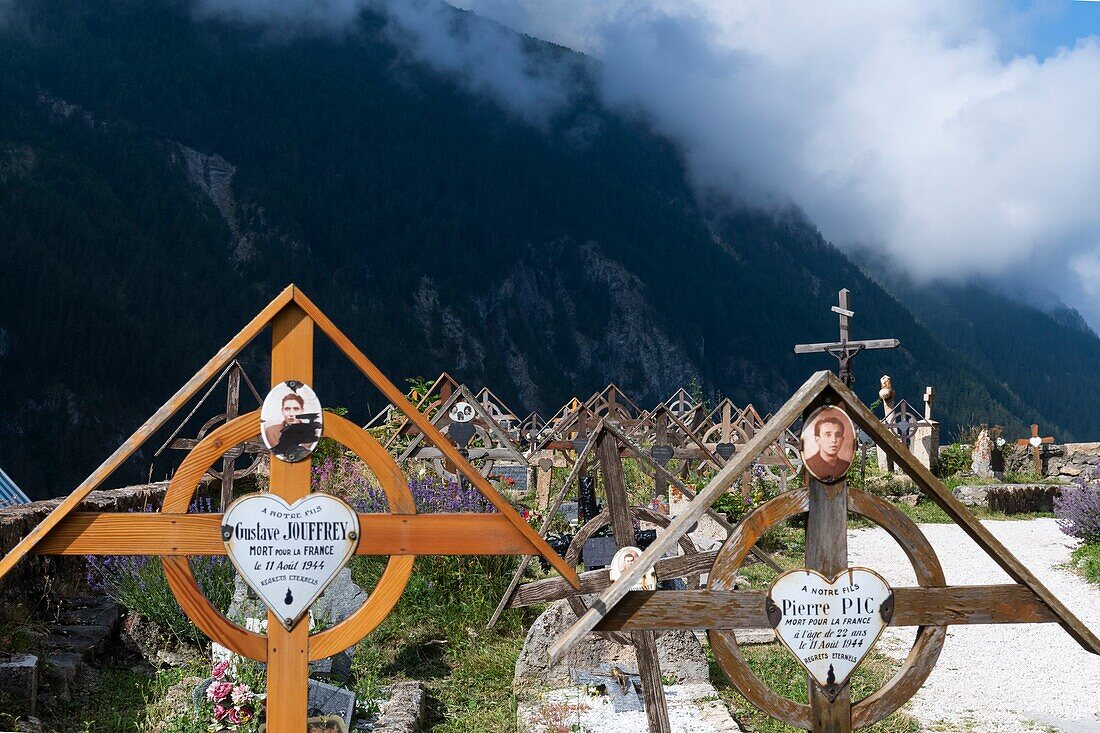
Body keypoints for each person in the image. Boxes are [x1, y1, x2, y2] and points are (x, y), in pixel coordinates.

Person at [264, 393, 319, 460]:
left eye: (296, 409)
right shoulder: (271, 431)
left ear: (302, 410)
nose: (291, 414)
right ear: (282, 411)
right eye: (287, 409)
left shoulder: (313, 433)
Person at [805, 412, 850, 481]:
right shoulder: (811, 464)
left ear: (842, 439)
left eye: (838, 435)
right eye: (828, 435)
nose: (834, 440)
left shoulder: (844, 465)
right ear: (818, 439)